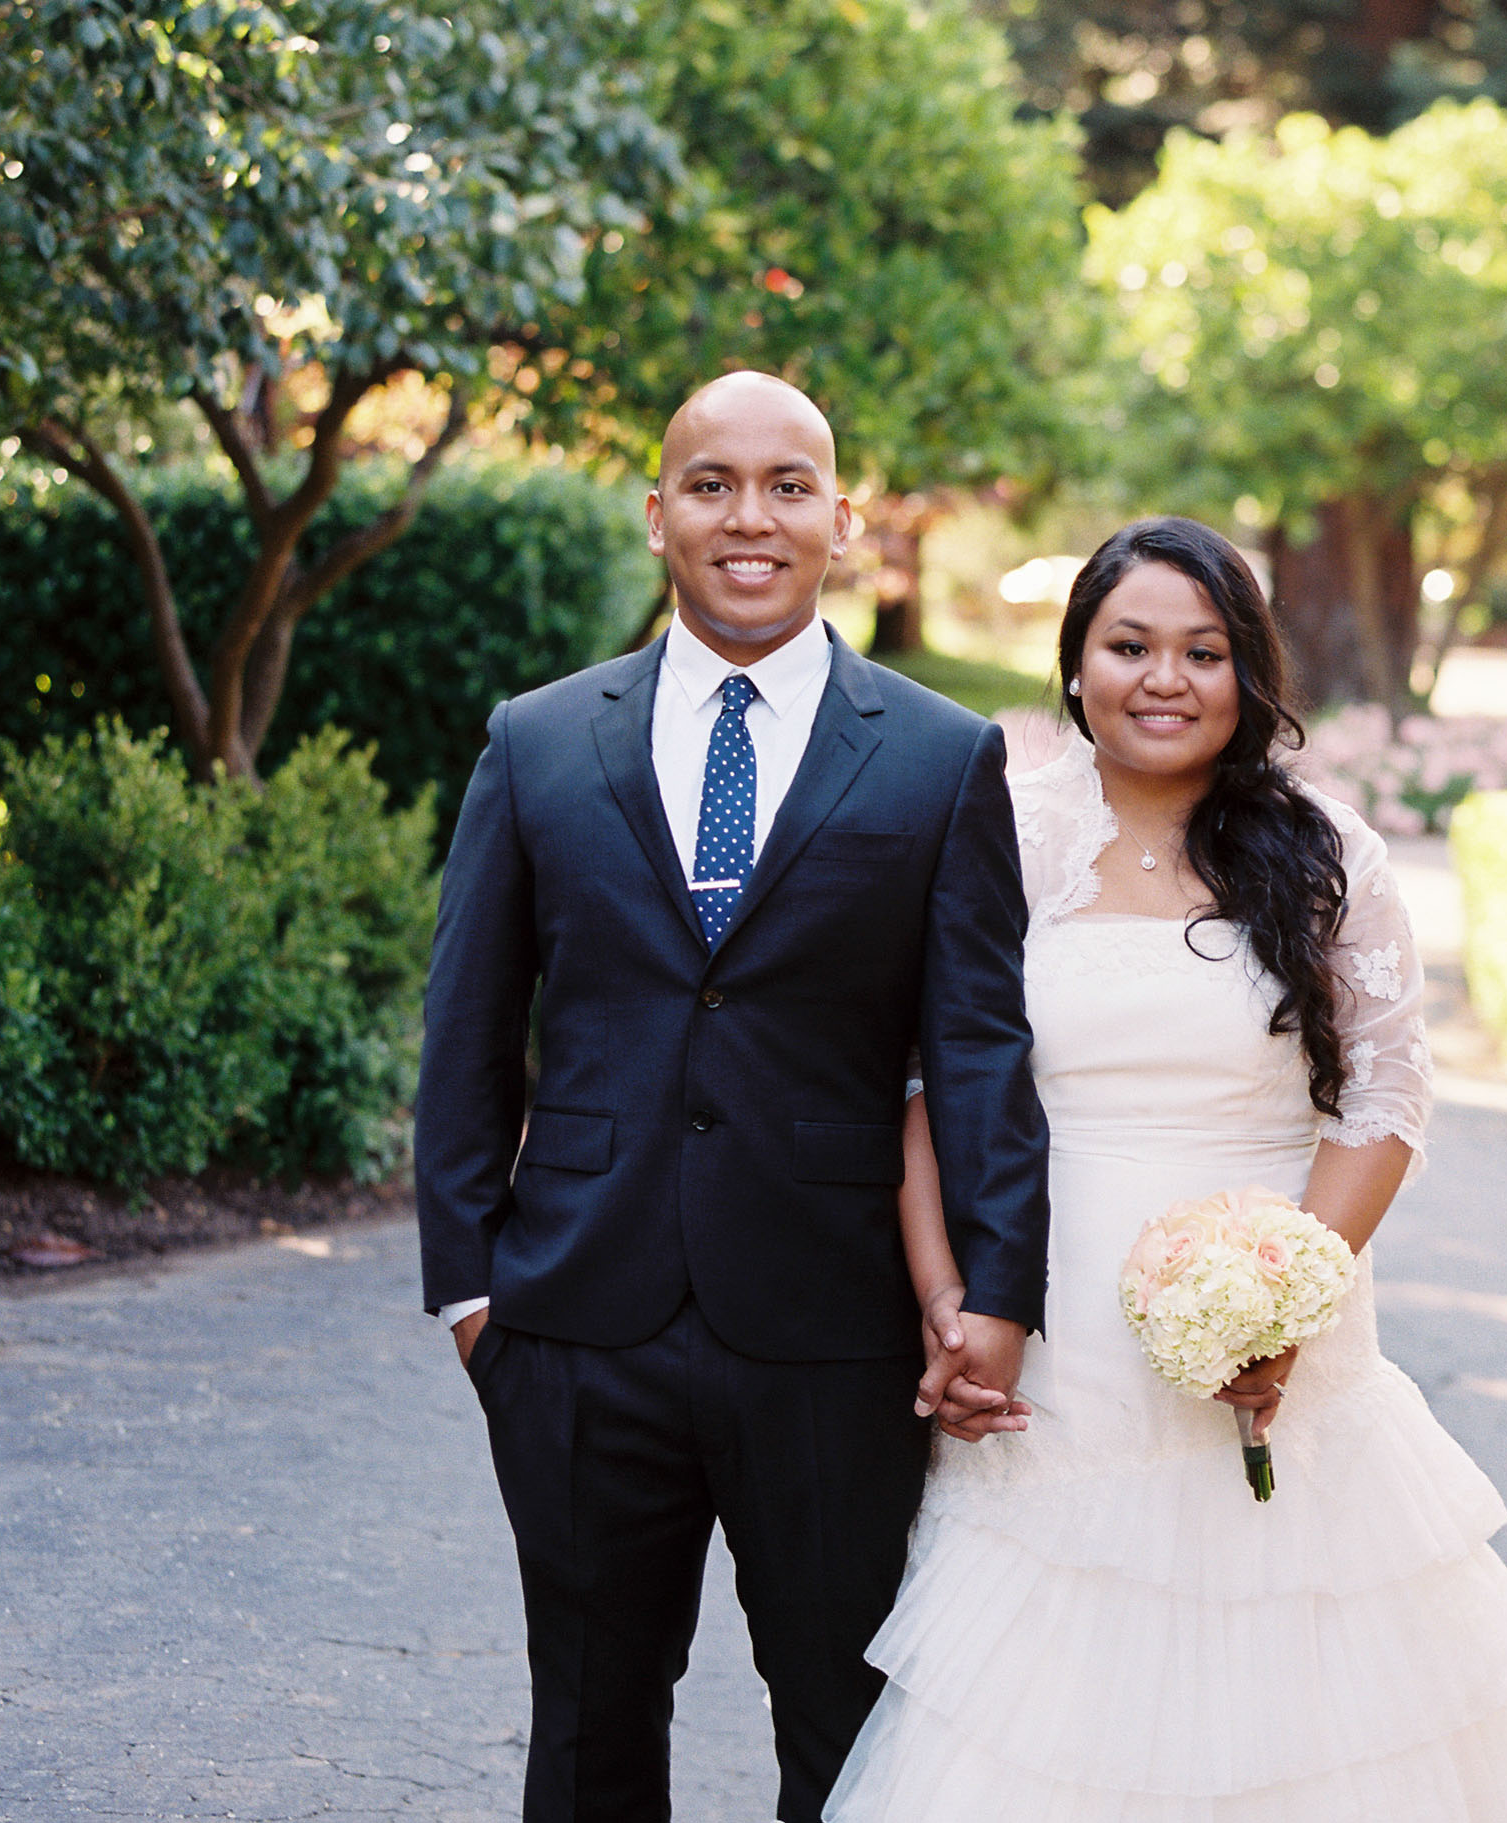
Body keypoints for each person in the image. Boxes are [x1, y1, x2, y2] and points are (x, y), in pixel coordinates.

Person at [827, 517, 1507, 1819]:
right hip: (1046, 1337)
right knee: (1054, 1705)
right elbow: (925, 1085)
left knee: (1301, 1695)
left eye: (1204, 652)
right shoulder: (996, 837)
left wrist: (1286, 1303)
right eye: (1130, 646)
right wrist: (948, 1302)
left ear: (1247, 671)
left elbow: (1384, 1094)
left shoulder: (1326, 851)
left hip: (1277, 1335)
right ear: (1076, 663)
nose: (1165, 679)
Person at [411, 371, 1051, 1823]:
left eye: (786, 486)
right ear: (658, 516)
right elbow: (469, 1028)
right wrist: (470, 1292)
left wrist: (1001, 1292)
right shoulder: (537, 740)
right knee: (588, 1729)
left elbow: (977, 1049)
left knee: (844, 1733)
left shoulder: (942, 757)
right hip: (572, 1322)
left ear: (844, 520)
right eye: (711, 485)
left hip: (835, 1333)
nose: (747, 517)